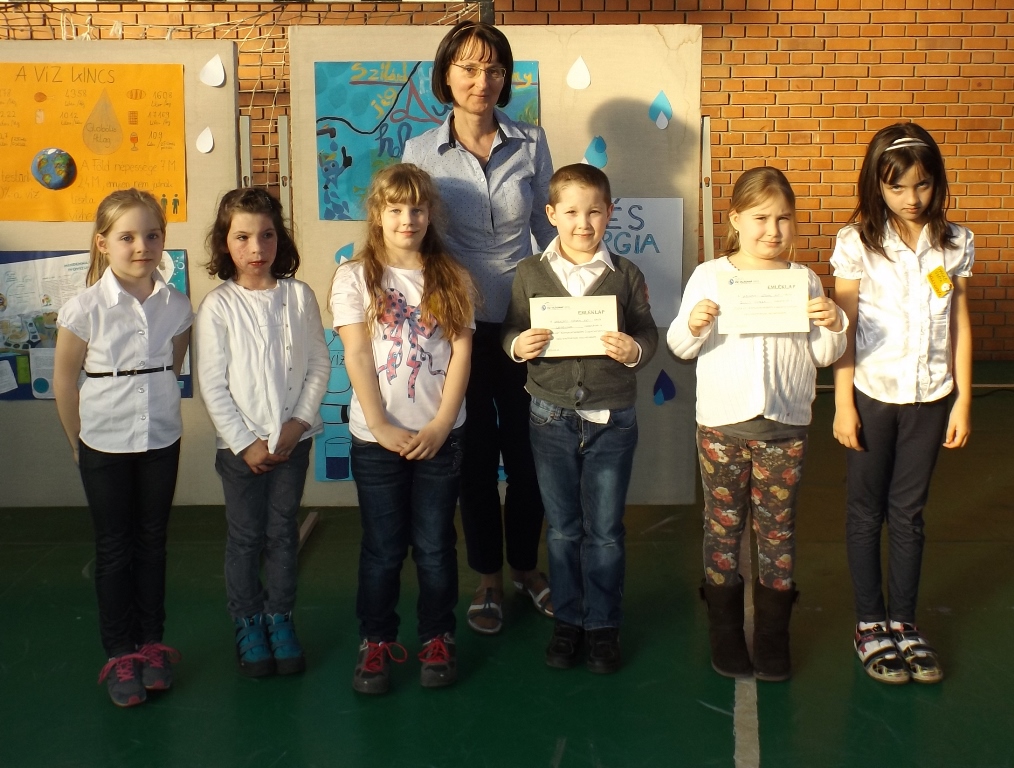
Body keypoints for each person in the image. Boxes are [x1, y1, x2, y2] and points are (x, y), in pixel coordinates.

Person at [402, 20, 556, 634]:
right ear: (446, 75)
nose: (481, 80)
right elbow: (411, 239)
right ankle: (488, 577)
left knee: (528, 455)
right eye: (467, 67)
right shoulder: (420, 151)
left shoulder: (531, 142)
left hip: (526, 327)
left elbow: (550, 234)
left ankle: (526, 568)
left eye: (493, 69)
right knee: (474, 459)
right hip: (456, 332)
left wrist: (603, 284)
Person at [667, 167, 847, 681]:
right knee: (722, 529)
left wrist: (833, 322)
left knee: (777, 533)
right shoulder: (710, 276)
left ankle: (772, 638)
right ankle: (725, 633)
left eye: (783, 219)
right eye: (761, 218)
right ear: (735, 220)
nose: (773, 230)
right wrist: (693, 324)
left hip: (785, 431)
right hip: (722, 430)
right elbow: (680, 346)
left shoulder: (803, 279)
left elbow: (823, 354)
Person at [501, 164, 658, 673]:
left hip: (613, 419)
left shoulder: (626, 274)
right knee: (564, 529)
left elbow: (648, 332)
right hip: (549, 416)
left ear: (610, 213)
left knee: (606, 530)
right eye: (570, 212)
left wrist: (636, 350)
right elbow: (511, 328)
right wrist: (517, 346)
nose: (582, 223)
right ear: (551, 214)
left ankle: (604, 624)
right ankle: (568, 620)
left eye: (593, 212)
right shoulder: (530, 272)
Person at [831, 123, 973, 685]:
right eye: (897, 188)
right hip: (872, 396)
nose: (911, 198)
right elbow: (842, 329)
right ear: (877, 186)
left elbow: (959, 323)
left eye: (922, 184)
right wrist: (843, 403)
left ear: (937, 181)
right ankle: (870, 623)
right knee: (866, 512)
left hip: (931, 398)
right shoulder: (856, 243)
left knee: (910, 514)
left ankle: (904, 624)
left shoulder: (954, 242)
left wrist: (962, 400)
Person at [331, 164, 474, 693]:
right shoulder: (354, 277)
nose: (406, 219)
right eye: (395, 209)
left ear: (430, 214)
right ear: (377, 214)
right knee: (383, 548)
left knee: (435, 545)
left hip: (440, 437)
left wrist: (441, 424)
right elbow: (356, 354)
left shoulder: (452, 275)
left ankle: (437, 636)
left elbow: (461, 353)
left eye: (416, 208)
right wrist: (380, 425)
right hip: (377, 442)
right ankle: (375, 640)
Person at [53, 189, 193, 707]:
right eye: (127, 237)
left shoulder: (177, 306)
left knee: (152, 542)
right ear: (103, 243)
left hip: (160, 437)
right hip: (103, 442)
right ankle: (120, 652)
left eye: (152, 236)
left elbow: (173, 366)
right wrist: (78, 444)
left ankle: (151, 644)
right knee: (114, 548)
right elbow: (65, 382)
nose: (141, 247)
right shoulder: (83, 308)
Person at [195, 188, 329, 678]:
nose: (256, 248)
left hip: (293, 444)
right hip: (240, 452)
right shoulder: (217, 306)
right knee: (246, 536)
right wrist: (245, 443)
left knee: (282, 532)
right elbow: (212, 384)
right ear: (224, 242)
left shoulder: (298, 296)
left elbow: (318, 364)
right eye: (243, 237)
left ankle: (279, 617)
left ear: (280, 239)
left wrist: (298, 424)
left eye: (267, 235)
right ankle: (248, 621)